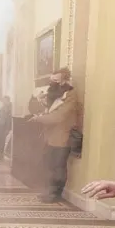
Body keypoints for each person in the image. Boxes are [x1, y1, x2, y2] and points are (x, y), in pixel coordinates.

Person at [29, 67, 78, 203]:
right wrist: (37, 100)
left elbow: (58, 116)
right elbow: (42, 109)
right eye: (52, 79)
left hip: (62, 137)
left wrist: (39, 118)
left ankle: (56, 194)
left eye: (56, 80)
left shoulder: (70, 94)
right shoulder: (53, 94)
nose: (52, 83)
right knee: (49, 164)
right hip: (50, 137)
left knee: (58, 166)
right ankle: (49, 191)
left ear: (64, 80)